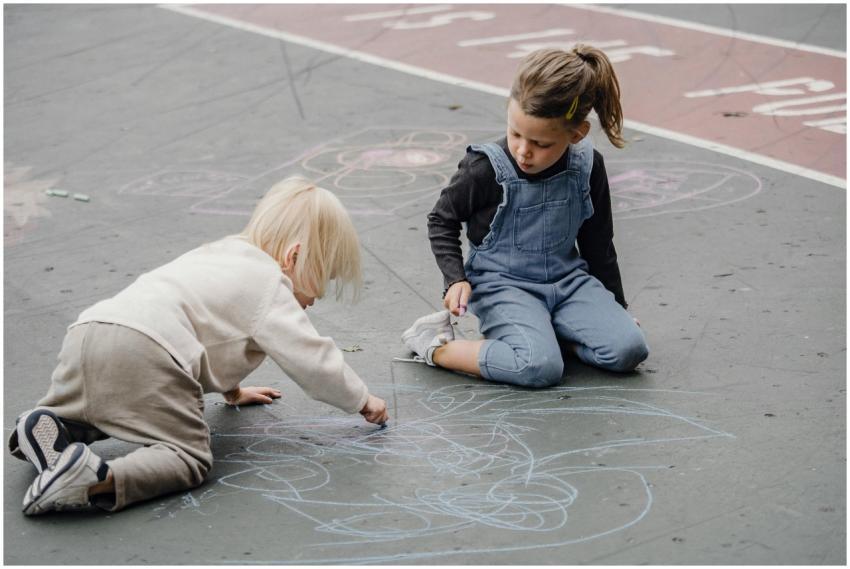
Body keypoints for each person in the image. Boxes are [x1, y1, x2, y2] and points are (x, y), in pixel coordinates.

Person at [9, 176, 389, 515]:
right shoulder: (271, 284)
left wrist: (233, 390)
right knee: (188, 458)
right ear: (293, 256)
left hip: (91, 331)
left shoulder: (221, 253)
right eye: (320, 279)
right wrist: (361, 399)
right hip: (149, 351)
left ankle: (51, 424)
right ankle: (94, 479)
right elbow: (312, 359)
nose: (316, 297)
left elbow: (212, 325)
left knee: (106, 407)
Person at [402, 45, 649, 387]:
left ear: (576, 134)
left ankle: (548, 334)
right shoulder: (485, 168)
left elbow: (598, 244)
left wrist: (617, 306)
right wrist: (455, 278)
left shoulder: (587, 167)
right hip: (503, 286)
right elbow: (442, 219)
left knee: (629, 350)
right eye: (515, 133)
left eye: (541, 143)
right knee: (537, 367)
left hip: (567, 282)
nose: (523, 150)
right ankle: (434, 345)